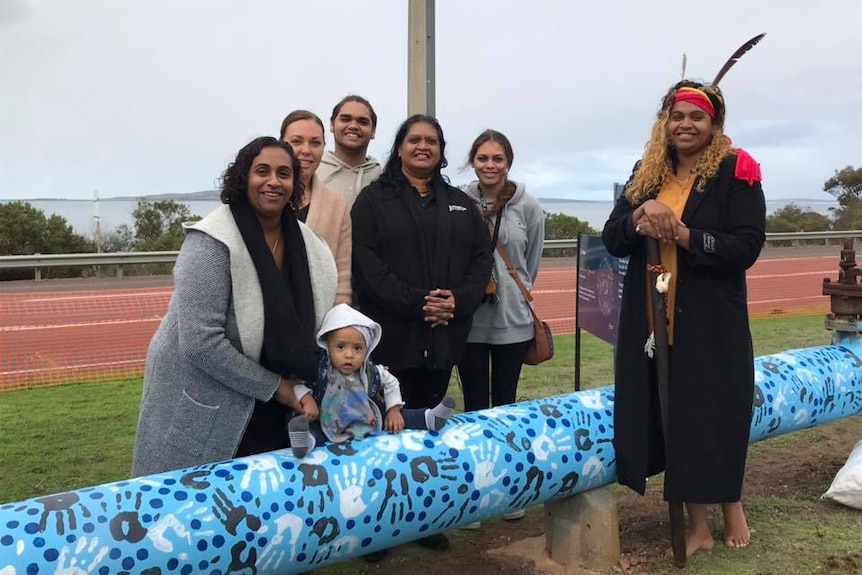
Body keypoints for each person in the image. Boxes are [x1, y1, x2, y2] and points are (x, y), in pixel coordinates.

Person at [602, 80, 766, 557]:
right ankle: (698, 525)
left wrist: (684, 233)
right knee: (676, 415)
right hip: (654, 319)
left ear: (714, 124)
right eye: (677, 116)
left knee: (718, 411)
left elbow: (746, 246)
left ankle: (730, 502)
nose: (686, 125)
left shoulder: (738, 170)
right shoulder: (647, 173)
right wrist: (640, 218)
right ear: (665, 123)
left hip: (712, 317)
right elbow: (614, 237)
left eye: (697, 117)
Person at [131, 137, 337, 477]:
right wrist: (276, 387)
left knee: (262, 502)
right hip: (203, 399)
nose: (274, 181)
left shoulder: (310, 246)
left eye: (284, 173)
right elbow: (200, 343)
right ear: (243, 178)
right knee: (187, 506)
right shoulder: (210, 241)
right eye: (262, 171)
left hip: (276, 403)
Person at [351, 114, 493, 553]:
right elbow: (367, 265)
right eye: (415, 140)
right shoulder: (373, 201)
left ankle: (424, 518)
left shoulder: (460, 203)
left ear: (441, 149)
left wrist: (457, 300)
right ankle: (380, 530)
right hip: (391, 341)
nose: (423, 146)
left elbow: (480, 260)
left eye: (432, 140)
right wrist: (418, 301)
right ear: (399, 148)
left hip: (442, 338)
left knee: (429, 431)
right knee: (383, 429)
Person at [456, 129, 545, 528]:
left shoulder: (527, 205)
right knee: (474, 407)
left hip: (512, 321)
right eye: (483, 158)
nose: (490, 165)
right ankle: (477, 492)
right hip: (470, 322)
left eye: (498, 158)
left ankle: (509, 491)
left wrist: (508, 289)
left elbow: (532, 260)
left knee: (506, 406)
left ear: (509, 162)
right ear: (472, 161)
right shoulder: (459, 201)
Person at [286, 303, 456, 458]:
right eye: (340, 347)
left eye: (358, 348)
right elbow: (299, 384)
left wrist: (393, 410)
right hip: (329, 420)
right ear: (327, 345)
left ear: (367, 349)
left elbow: (391, 382)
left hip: (366, 418)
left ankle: (429, 418)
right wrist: (307, 400)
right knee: (315, 430)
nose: (349, 355)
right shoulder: (320, 370)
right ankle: (305, 442)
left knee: (401, 417)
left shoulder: (370, 370)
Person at [280, 109, 352, 304]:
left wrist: (338, 321)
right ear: (281, 145)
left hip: (319, 318)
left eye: (315, 143)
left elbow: (343, 275)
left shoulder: (336, 205)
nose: (306, 150)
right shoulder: (263, 197)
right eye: (296, 142)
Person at [316, 95, 382, 207]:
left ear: (373, 131)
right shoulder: (313, 172)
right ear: (332, 125)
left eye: (362, 122)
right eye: (345, 119)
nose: (353, 126)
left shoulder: (382, 178)